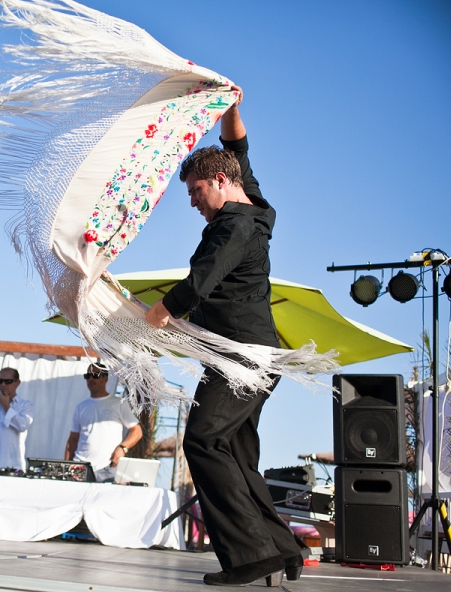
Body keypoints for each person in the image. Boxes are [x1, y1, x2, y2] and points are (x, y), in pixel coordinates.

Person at [145, 87, 301, 587]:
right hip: (251, 358)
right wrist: (231, 106)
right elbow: (238, 149)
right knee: (236, 453)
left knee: (204, 439)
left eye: (195, 191)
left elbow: (199, 282)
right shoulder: (251, 202)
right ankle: (283, 548)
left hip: (242, 360)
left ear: (218, 182)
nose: (192, 201)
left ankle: (250, 556)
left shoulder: (232, 227)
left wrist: (157, 314)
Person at [64, 363, 142, 481]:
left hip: (107, 468)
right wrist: (66, 467)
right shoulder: (80, 407)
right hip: (80, 468)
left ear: (105, 378)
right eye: (88, 376)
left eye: (95, 375)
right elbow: (73, 439)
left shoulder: (119, 403)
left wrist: (122, 448)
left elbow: (137, 431)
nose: (91, 379)